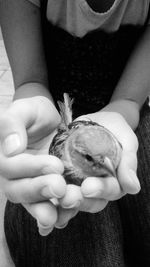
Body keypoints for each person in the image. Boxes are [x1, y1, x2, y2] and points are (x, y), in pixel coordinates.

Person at [0, 0, 150, 266]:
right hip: (51, 123)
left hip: (127, 116)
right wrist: (30, 120)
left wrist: (119, 117)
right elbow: (30, 81)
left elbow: (128, 100)